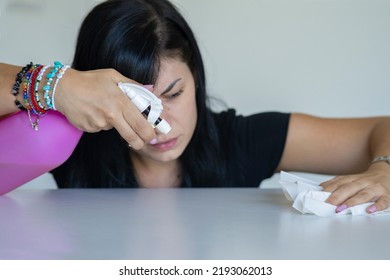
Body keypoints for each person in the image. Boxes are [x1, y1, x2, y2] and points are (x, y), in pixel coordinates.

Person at [1, 0, 390, 214]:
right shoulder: (72, 141)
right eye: (135, 104)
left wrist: (385, 170)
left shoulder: (240, 141)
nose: (160, 125)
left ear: (196, 79)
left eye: (173, 94)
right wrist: (53, 86)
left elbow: (380, 129)